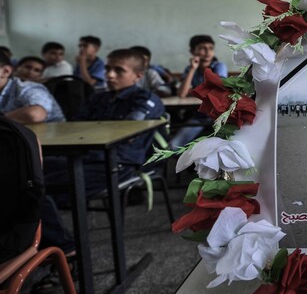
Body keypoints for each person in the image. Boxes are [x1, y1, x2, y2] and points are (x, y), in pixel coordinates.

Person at [44, 48, 165, 202]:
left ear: (138, 76)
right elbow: (74, 128)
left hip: (118, 164)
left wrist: (90, 131)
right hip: (86, 158)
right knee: (30, 170)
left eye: (119, 70)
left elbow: (128, 132)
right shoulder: (98, 98)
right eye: (107, 68)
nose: (109, 75)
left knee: (41, 188)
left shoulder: (145, 99)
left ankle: (55, 222)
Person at [169, 35, 228, 148]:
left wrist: (194, 91)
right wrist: (192, 69)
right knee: (174, 145)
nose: (207, 52)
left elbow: (218, 90)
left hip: (218, 116)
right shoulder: (190, 69)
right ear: (192, 51)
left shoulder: (219, 66)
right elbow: (182, 94)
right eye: (202, 48)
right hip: (199, 116)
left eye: (211, 48)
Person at [0, 52, 65, 123]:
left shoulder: (29, 88)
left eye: (37, 70)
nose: (30, 72)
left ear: (6, 71)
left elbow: (34, 114)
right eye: (27, 67)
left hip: (55, 132)